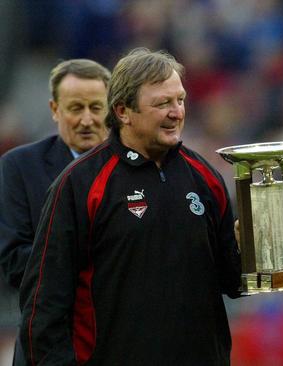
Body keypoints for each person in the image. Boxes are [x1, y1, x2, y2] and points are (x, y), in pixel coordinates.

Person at [18, 48, 241, 365]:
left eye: (179, 100)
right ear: (123, 111)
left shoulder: (206, 178)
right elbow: (44, 302)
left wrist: (258, 245)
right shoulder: (80, 185)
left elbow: (233, 281)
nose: (176, 112)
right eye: (162, 103)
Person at [0, 58, 111, 365]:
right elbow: (13, 262)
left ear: (114, 110)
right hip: (48, 345)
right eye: (76, 108)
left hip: (117, 342)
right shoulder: (20, 167)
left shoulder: (136, 168)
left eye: (96, 107)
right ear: (54, 110)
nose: (87, 119)